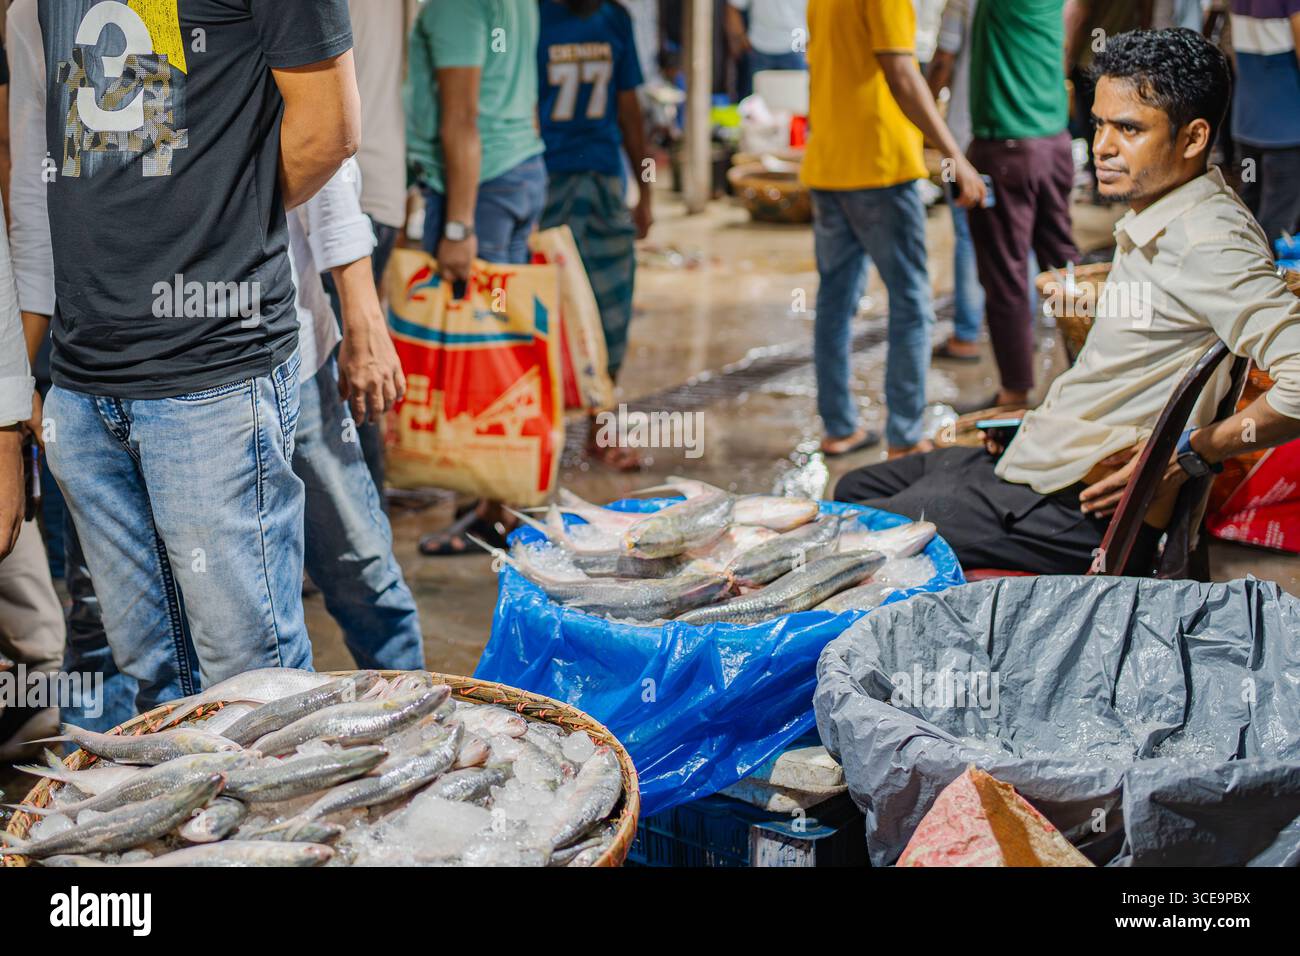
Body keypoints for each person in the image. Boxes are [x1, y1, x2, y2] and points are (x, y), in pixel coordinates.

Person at [837, 28, 1300, 576]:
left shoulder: (1208, 240)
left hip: (1075, 509)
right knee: (853, 486)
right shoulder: (1166, 213)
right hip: (1045, 457)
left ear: (1193, 138)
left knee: (852, 537)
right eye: (1100, 122)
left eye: (1128, 129)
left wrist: (1192, 451)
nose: (1102, 146)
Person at [8, 0, 360, 714]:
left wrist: (209, 238)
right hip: (88, 375)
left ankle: (279, 830)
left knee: (252, 679)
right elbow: (105, 146)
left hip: (213, 371)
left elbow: (328, 132)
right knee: (153, 679)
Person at [802, 0, 985, 459]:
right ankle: (905, 435)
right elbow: (900, 73)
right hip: (879, 166)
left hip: (827, 164)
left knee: (835, 301)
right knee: (912, 303)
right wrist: (953, 154)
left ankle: (839, 427)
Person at [406, 0, 547, 554]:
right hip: (517, 169)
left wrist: (460, 225)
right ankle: (500, 503)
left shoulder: (455, 8)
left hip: (481, 184)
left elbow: (461, 117)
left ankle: (495, 513)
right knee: (506, 348)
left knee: (485, 355)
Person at [288, 160, 426, 672]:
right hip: (131, 370)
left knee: (358, 566)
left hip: (292, 353)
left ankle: (416, 711)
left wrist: (363, 318)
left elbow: (327, 158)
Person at [537, 0, 653, 471]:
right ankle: (540, 433)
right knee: (546, 312)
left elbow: (630, 110)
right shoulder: (531, 17)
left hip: (604, 181)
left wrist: (646, 192)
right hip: (546, 182)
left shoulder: (616, 19)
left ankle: (602, 428)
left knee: (612, 308)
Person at [962, 0, 1080, 413]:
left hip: (1008, 148)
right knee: (1066, 267)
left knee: (1007, 274)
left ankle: (1013, 394)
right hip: (1053, 141)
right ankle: (1092, 372)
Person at [339, 0, 409, 497]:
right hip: (385, 184)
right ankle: (369, 514)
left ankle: (362, 525)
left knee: (343, 380)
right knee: (357, 371)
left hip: (346, 193)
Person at [1229, 0, 1300, 250]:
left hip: (1248, 124)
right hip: (1286, 131)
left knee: (1248, 207)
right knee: (1279, 222)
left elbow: (1232, 52)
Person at [725, 0, 808, 76]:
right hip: (759, 47)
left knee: (798, 91)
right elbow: (733, 7)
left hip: (797, 47)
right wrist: (740, 38)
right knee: (755, 91)